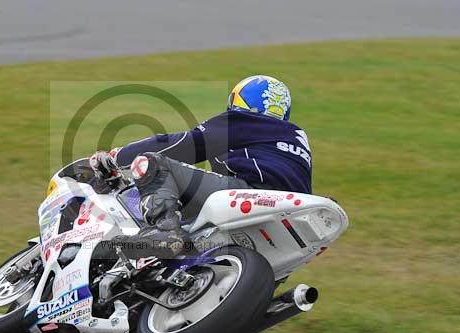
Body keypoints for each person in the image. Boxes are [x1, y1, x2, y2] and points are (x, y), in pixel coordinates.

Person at [89, 75, 312, 259]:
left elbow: (185, 144)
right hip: (294, 210)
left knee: (152, 163)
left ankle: (166, 231)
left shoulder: (242, 121)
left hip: (251, 192)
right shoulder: (297, 136)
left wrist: (117, 156)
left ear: (238, 101)